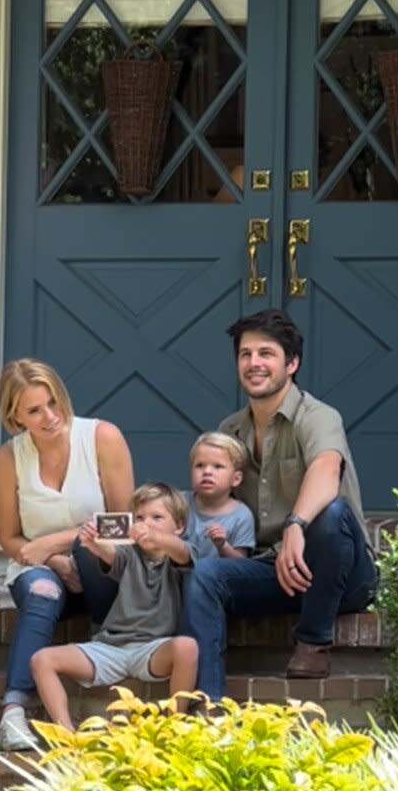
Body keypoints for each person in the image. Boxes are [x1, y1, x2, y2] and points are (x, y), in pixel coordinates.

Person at [182, 308, 376, 699]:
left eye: (266, 354)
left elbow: (326, 467)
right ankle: (208, 701)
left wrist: (295, 525)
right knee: (205, 573)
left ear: (292, 363)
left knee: (331, 512)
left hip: (339, 573)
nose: (254, 363)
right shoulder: (230, 430)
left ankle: (313, 640)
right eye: (246, 354)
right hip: (273, 569)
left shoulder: (318, 416)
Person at [0, 358, 133, 749]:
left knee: (88, 552)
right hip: (42, 571)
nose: (50, 417)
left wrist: (55, 543)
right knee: (41, 592)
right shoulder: (7, 459)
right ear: (14, 415)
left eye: (53, 403)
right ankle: (14, 711)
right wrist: (52, 560)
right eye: (34, 411)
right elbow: (10, 539)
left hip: (100, 567)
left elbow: (123, 523)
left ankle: (106, 643)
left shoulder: (102, 437)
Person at [30, 482, 198, 732]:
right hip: (110, 647)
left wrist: (157, 538)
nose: (146, 524)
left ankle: (174, 726)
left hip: (153, 650)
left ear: (179, 526)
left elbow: (183, 552)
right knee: (42, 659)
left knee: (187, 647)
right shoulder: (129, 554)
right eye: (139, 517)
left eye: (157, 517)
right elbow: (109, 553)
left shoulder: (179, 555)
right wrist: (92, 541)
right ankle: (66, 736)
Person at [184, 432, 255, 560]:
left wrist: (223, 546)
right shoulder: (178, 503)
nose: (207, 472)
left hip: (215, 578)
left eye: (218, 466)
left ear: (236, 479)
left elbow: (241, 562)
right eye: (200, 465)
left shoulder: (241, 516)